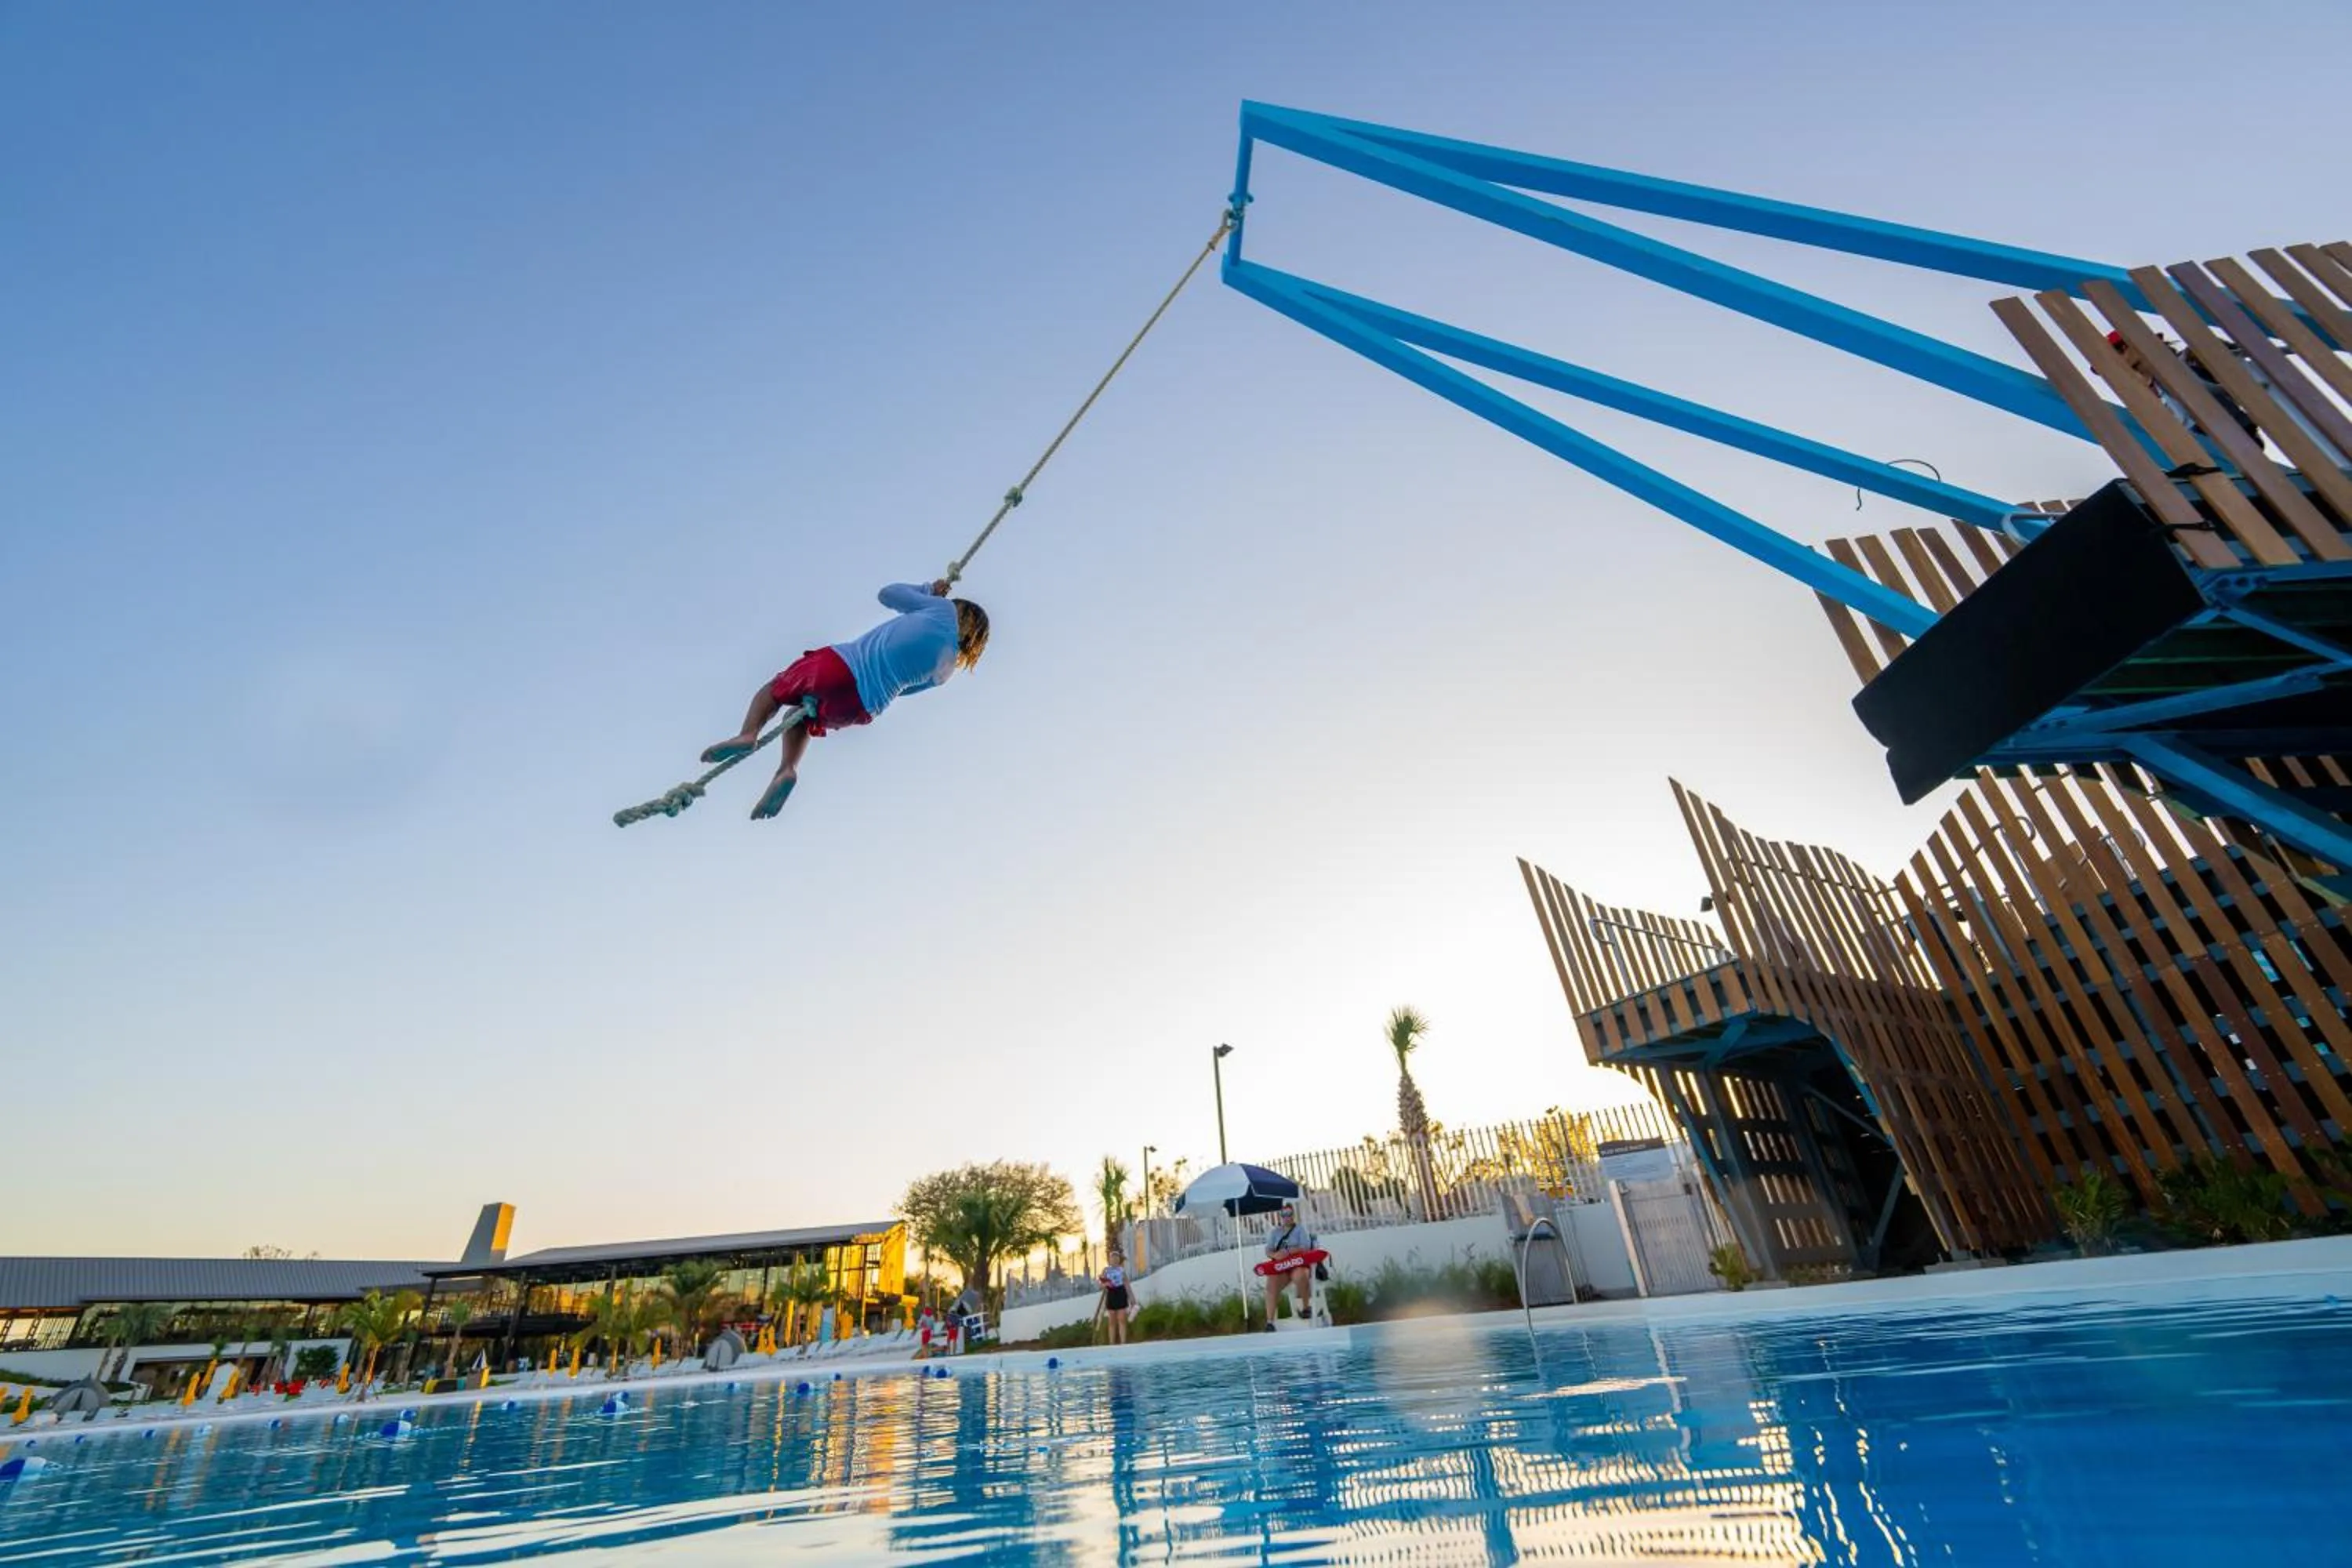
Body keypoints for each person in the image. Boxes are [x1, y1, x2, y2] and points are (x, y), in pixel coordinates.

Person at [702, 579, 991, 818]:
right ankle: (787, 769)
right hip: (862, 707)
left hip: (842, 665)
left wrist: (928, 591)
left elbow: (887, 594)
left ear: (958, 611)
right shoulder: (946, 671)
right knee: (799, 718)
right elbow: (904, 692)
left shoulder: (942, 609)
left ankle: (748, 734)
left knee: (774, 690)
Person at [1256, 1200, 1329, 1330]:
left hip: (1298, 1264)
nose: (1287, 1217)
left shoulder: (1300, 1229)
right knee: (1271, 1283)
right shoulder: (1275, 1232)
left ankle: (1306, 1308)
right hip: (1282, 1267)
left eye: (1289, 1213)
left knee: (1300, 1276)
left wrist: (1289, 1252)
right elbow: (1268, 1250)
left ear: (1293, 1214)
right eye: (1284, 1214)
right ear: (1281, 1216)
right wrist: (1275, 1255)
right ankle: (1270, 1322)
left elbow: (1305, 1247)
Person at [1098, 1248, 1134, 1345]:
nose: (1114, 1259)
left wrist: (1132, 1298)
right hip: (1111, 1293)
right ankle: (1112, 1343)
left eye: (1116, 1257)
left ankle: (1123, 1342)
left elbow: (1127, 1285)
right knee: (1112, 1320)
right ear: (1109, 1260)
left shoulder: (1122, 1270)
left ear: (1119, 1259)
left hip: (1121, 1292)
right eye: (1112, 1258)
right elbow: (1101, 1285)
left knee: (1122, 1319)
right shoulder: (1106, 1270)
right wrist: (1105, 1284)